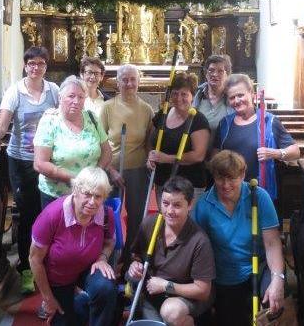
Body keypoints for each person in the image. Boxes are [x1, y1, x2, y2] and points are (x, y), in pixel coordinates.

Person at [0, 46, 59, 294]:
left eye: (41, 63)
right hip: (22, 161)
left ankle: (50, 265)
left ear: (46, 66)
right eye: (31, 64)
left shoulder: (54, 90)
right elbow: (3, 123)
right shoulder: (15, 91)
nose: (36, 68)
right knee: (27, 215)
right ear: (25, 66)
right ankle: (26, 269)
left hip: (47, 160)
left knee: (49, 213)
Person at [194, 150, 285, 325]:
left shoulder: (259, 196)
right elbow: (197, 248)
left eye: (232, 178)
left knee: (273, 305)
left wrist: (277, 279)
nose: (226, 185)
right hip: (226, 276)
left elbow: (272, 243)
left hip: (259, 267)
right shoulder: (204, 205)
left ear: (243, 174)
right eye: (220, 178)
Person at [29, 166, 118, 326]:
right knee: (64, 321)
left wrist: (102, 258)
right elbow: (35, 259)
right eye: (87, 194)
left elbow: (109, 242)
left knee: (106, 287)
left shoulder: (106, 214)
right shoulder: (52, 215)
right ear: (75, 190)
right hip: (58, 278)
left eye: (98, 196)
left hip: (88, 269)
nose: (92, 202)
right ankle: (80, 303)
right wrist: (48, 298)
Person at [128, 176, 215, 326]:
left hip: (185, 297)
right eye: (165, 203)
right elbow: (135, 255)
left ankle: (192, 322)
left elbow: (203, 291)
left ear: (190, 205)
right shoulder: (149, 223)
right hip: (154, 292)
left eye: (177, 205)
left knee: (170, 312)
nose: (169, 211)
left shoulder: (200, 241)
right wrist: (135, 265)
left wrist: (166, 285)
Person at [33, 75, 122, 209]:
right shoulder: (49, 121)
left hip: (90, 195)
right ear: (60, 97)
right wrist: (78, 180)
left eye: (81, 97)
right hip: (57, 196)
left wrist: (94, 175)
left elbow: (106, 152)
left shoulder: (91, 118)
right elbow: (40, 164)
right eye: (71, 96)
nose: (76, 101)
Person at [212, 73, 299, 199]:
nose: (237, 100)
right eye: (232, 97)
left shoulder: (269, 121)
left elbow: (295, 151)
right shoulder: (224, 124)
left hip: (260, 192)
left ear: (252, 94)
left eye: (240, 95)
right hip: (229, 192)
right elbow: (215, 156)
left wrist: (274, 153)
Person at [100, 64, 154, 261]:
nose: (129, 83)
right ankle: (108, 256)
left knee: (136, 215)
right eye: (124, 80)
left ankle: (131, 256)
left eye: (133, 79)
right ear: (118, 82)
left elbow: (148, 142)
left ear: (139, 82)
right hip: (112, 169)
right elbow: (99, 142)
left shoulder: (147, 109)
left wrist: (150, 159)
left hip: (138, 170)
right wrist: (111, 170)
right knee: (109, 214)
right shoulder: (107, 107)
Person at [148, 72, 210, 205]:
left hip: (190, 185)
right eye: (175, 93)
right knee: (166, 217)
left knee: (186, 218)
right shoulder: (162, 114)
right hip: (163, 182)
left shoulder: (198, 120)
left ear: (192, 96)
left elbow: (198, 156)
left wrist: (166, 158)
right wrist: (151, 157)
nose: (179, 98)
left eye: (184, 94)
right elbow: (151, 142)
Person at [192, 54, 233, 148]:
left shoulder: (233, 98)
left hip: (224, 153)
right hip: (197, 152)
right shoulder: (196, 95)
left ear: (227, 75)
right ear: (206, 74)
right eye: (211, 70)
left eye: (220, 71)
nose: (215, 74)